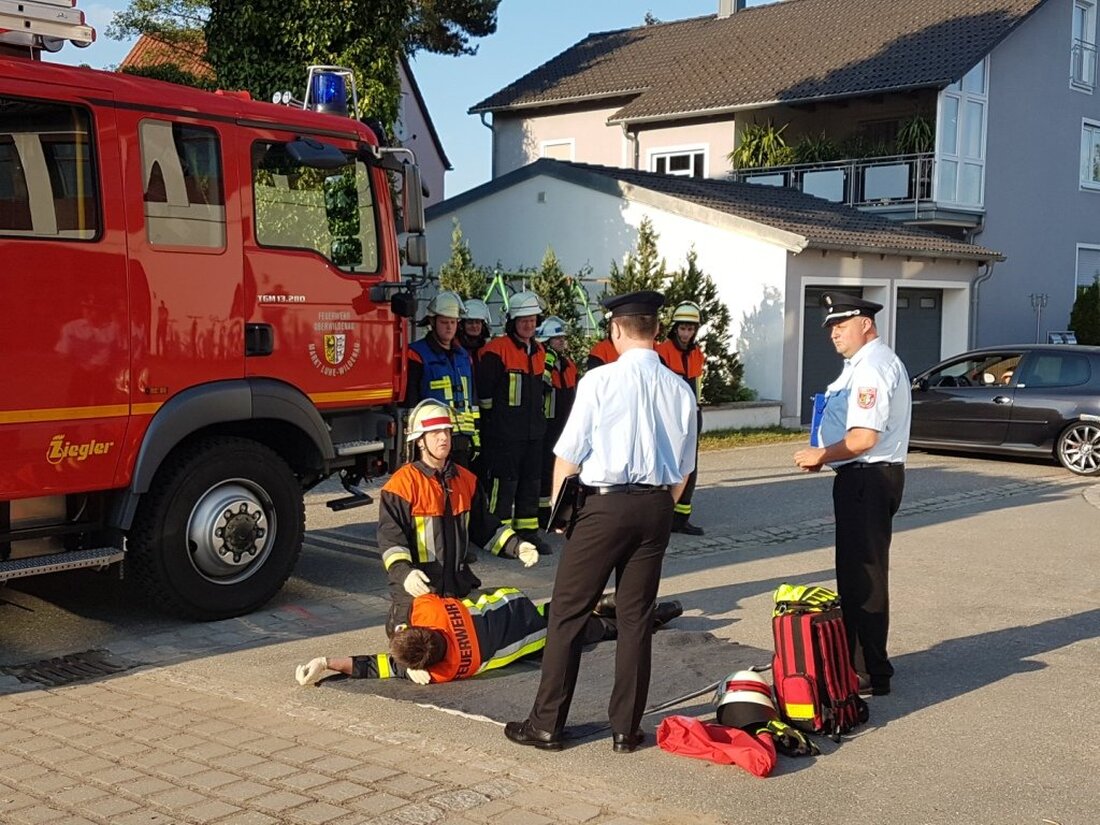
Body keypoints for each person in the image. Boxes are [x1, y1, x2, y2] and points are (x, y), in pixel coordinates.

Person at [505, 290, 698, 753]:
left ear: (615, 330)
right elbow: (685, 468)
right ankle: (626, 730)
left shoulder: (599, 380)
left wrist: (558, 516)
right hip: (655, 506)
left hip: (603, 507)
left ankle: (547, 724)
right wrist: (663, 507)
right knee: (636, 619)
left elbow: (568, 457)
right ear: (655, 331)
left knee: (569, 614)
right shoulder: (680, 388)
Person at [793, 292, 911, 698]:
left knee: (864, 578)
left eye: (840, 326)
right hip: (864, 478)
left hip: (868, 477)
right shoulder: (861, 365)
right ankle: (860, 664)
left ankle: (870, 671)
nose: (833, 334)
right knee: (855, 575)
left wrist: (821, 454)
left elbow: (862, 438)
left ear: (866, 323)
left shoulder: (872, 370)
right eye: (830, 328)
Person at [293, 587, 684, 687]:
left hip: (530, 635)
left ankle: (652, 617)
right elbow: (408, 605)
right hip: (511, 602)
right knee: (560, 609)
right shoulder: (431, 611)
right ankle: (604, 601)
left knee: (591, 631)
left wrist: (329, 663)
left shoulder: (442, 673)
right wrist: (399, 625)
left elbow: (378, 667)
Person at [380, 399, 539, 637]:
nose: (443, 437)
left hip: (459, 588)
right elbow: (392, 543)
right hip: (419, 591)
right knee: (417, 646)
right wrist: (406, 574)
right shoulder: (401, 486)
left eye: (446, 431)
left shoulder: (466, 480)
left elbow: (485, 528)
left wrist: (518, 546)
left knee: (511, 620)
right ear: (420, 441)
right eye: (435, 432)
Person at [477, 290, 551, 553]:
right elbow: (485, 395)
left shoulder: (540, 350)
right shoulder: (496, 351)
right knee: (504, 486)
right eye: (523, 320)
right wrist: (492, 429)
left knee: (530, 484)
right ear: (512, 322)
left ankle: (528, 534)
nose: (528, 324)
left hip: (533, 433)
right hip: (504, 434)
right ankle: (501, 538)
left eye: (532, 319)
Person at [405, 291, 479, 469]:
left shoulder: (463, 356)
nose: (449, 327)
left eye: (453, 322)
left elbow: (472, 401)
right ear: (432, 322)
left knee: (458, 489)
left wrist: (475, 437)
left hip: (461, 439)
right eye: (444, 322)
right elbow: (411, 402)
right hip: (432, 436)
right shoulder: (417, 354)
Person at [656, 301, 706, 536]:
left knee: (689, 466)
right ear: (675, 328)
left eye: (691, 329)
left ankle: (681, 517)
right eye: (683, 328)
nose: (686, 333)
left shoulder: (698, 354)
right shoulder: (661, 351)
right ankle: (660, 516)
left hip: (693, 414)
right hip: (669, 415)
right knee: (666, 465)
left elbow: (696, 386)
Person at [536, 316, 578, 528]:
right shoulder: (545, 360)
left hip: (564, 423)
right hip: (548, 424)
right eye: (556, 338)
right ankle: (544, 514)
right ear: (546, 341)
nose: (561, 341)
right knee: (546, 470)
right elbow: (543, 382)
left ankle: (558, 512)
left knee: (561, 469)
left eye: (562, 338)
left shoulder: (569, 364)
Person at [458, 298, 494, 383]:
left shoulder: (489, 349)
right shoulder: (455, 348)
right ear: (462, 325)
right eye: (470, 322)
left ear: (483, 325)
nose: (474, 326)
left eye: (477, 322)